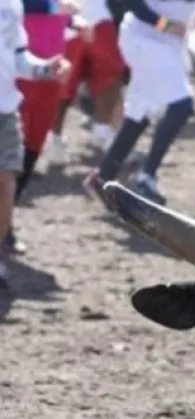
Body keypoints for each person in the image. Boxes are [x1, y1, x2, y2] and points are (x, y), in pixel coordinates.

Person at [83, 0, 195, 206]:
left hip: (168, 43)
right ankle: (146, 177)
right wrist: (164, 24)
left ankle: (104, 175)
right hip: (144, 37)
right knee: (182, 105)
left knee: (140, 113)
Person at [0, 0, 68, 288]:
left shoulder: (12, 4)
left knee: (6, 185)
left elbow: (17, 57)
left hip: (5, 109)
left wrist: (44, 69)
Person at [47, 0, 127, 166]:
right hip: (64, 19)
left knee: (111, 72)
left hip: (95, 15)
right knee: (62, 84)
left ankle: (102, 130)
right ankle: (54, 137)